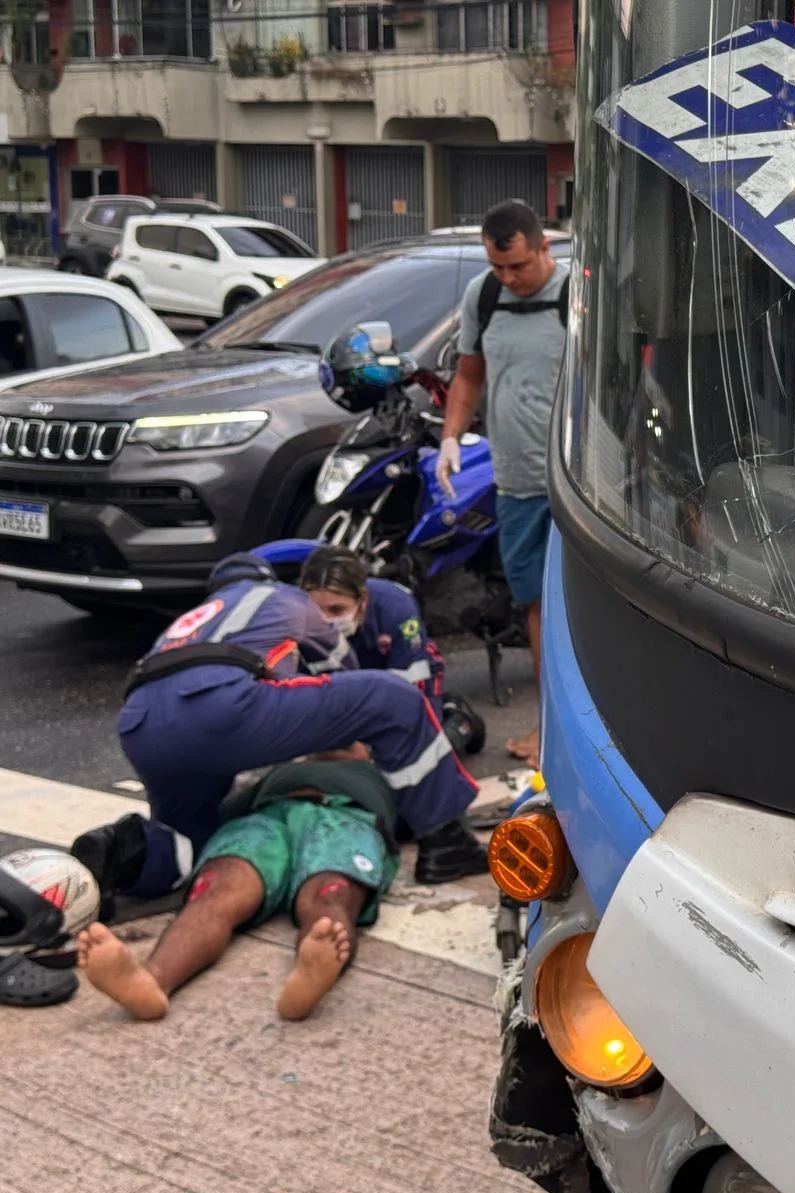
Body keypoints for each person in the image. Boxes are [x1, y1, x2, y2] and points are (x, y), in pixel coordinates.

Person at [71, 552, 486, 905]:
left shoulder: (199, 617)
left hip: (140, 724)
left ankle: (123, 850)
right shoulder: (285, 597)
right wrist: (355, 743)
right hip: (221, 705)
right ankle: (446, 841)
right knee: (394, 699)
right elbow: (341, 672)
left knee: (194, 838)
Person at [76, 755, 398, 1022]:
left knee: (330, 895)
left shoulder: (383, 769)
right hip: (265, 815)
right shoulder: (283, 764)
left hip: (345, 815)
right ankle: (151, 979)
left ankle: (312, 968)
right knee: (218, 891)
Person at [437, 199, 570, 764]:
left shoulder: (577, 296)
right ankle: (549, 733)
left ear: (543, 247)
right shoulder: (483, 298)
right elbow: (468, 379)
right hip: (516, 482)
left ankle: (586, 738)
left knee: (580, 612)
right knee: (537, 608)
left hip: (580, 487)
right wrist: (450, 437)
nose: (509, 279)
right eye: (499, 268)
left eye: (518, 266)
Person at [298, 545, 486, 757]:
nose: (326, 620)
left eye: (337, 610)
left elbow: (409, 699)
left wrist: (370, 749)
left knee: (422, 754)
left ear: (363, 600)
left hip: (405, 674)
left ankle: (460, 721)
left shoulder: (397, 610)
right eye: (316, 610)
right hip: (347, 682)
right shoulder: (295, 615)